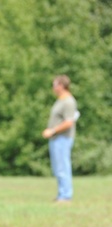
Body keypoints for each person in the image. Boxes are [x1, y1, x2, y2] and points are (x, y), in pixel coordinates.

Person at [42, 75, 78, 203]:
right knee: (58, 167)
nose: (53, 87)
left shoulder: (68, 101)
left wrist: (52, 130)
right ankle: (61, 194)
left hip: (63, 138)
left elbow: (69, 122)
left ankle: (66, 195)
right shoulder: (61, 100)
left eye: (55, 84)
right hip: (57, 139)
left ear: (61, 86)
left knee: (63, 167)